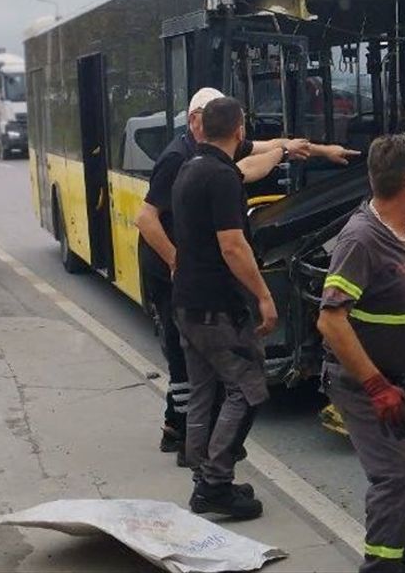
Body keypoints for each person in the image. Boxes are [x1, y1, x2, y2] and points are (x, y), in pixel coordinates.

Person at [136, 87, 359, 462]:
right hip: (176, 276)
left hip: (192, 286)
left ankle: (197, 460)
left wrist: (320, 151)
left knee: (204, 380)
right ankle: (199, 455)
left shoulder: (205, 161)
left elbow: (267, 152)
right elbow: (152, 220)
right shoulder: (180, 160)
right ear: (198, 121)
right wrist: (178, 263)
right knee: (230, 381)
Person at [316, 134, 405, 573]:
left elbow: (392, 299)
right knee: (398, 476)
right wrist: (376, 387)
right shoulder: (361, 240)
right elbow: (331, 320)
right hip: (366, 385)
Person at [171, 97, 279, 519]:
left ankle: (204, 476)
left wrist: (282, 150)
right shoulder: (221, 178)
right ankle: (216, 483)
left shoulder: (190, 168)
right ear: (239, 129)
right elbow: (232, 245)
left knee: (204, 390)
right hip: (217, 307)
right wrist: (264, 296)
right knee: (248, 387)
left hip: (187, 302)